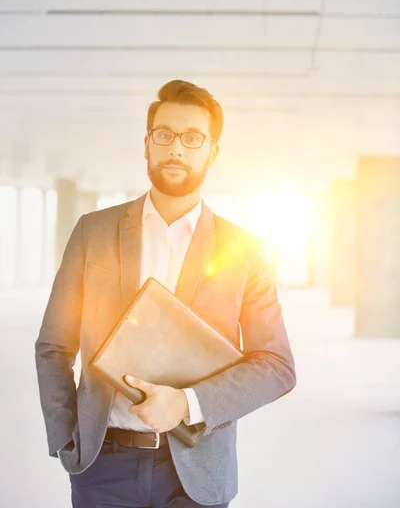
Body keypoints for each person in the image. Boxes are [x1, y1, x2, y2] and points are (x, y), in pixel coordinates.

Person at [35, 79, 296, 508]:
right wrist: (66, 438)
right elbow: (53, 345)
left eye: (193, 138)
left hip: (197, 469)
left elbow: (276, 365)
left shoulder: (244, 251)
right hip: (103, 466)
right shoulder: (93, 231)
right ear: (147, 144)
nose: (176, 148)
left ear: (213, 151)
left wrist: (186, 403)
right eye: (165, 134)